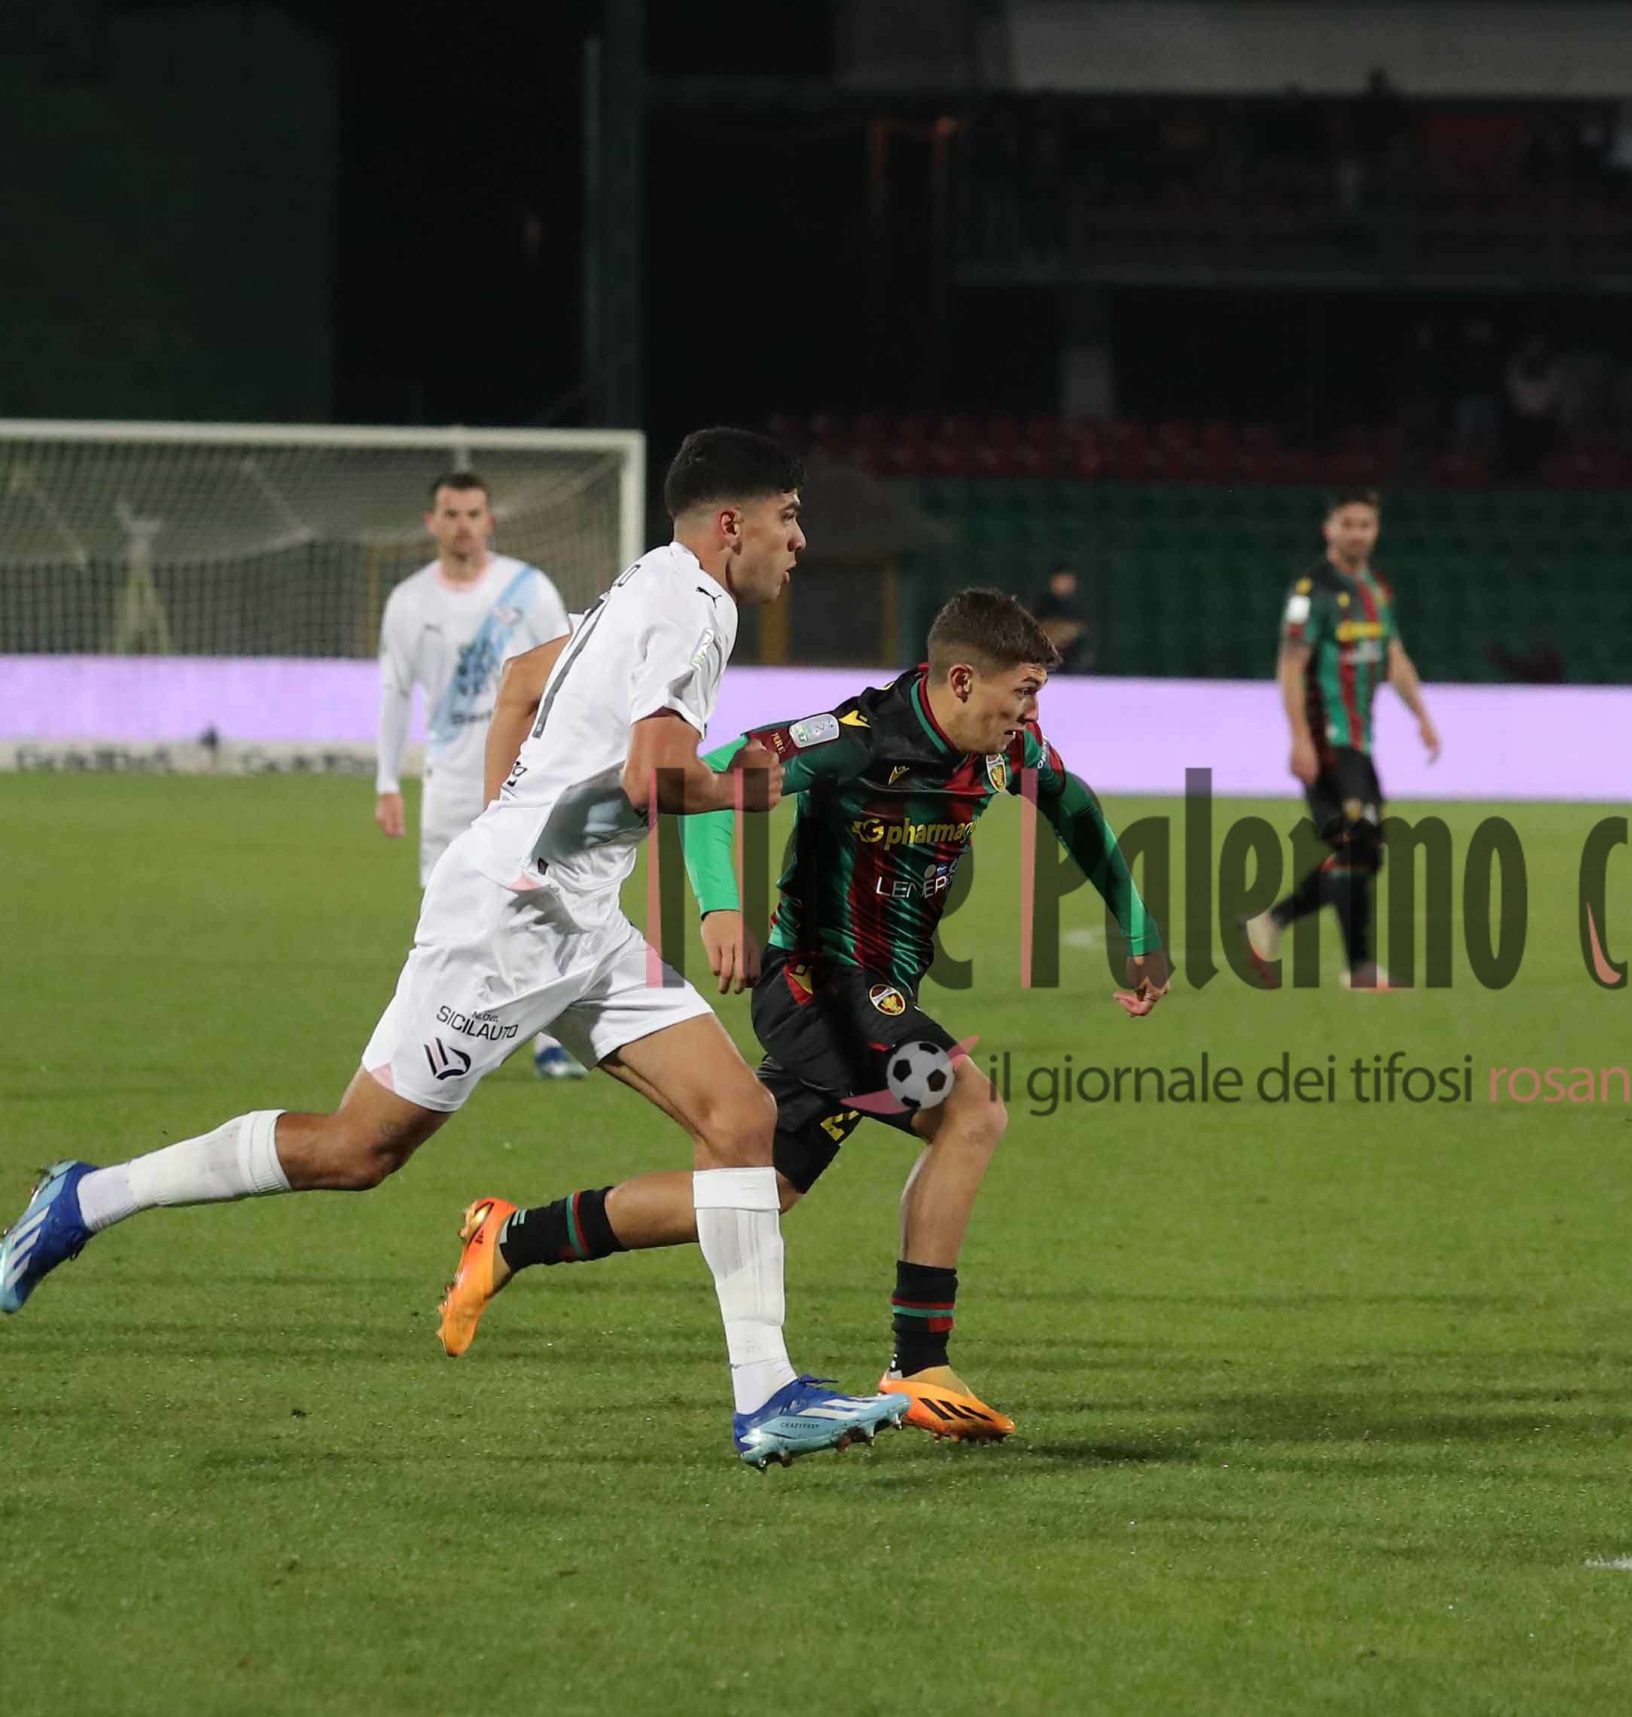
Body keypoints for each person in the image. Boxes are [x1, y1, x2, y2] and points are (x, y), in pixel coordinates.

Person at [1, 428, 906, 1467]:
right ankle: (88, 1196)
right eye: (790, 516)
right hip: (509, 928)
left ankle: (767, 1397)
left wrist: (507, 827)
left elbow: (520, 681)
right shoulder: (697, 606)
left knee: (740, 1116)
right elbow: (657, 777)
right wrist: (764, 779)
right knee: (357, 1150)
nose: (801, 539)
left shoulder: (649, 581)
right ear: (732, 524)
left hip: (571, 914)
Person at [436, 589, 1169, 1441]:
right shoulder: (858, 738)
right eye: (1025, 691)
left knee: (756, 1191)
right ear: (965, 680)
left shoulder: (1009, 749)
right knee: (970, 1109)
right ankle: (918, 1361)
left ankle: (512, 1236)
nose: (1033, 713)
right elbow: (714, 770)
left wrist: (1137, 927)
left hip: (878, 992)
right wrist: (720, 905)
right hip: (818, 986)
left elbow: (1074, 806)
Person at [374, 471, 581, 1079]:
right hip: (447, 781)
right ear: (431, 523)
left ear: (488, 521)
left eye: (472, 514)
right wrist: (387, 781)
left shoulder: (529, 589)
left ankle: (548, 1043)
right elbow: (394, 692)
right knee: (447, 917)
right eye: (451, 513)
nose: (462, 525)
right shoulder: (409, 601)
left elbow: (568, 677)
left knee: (534, 903)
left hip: (523, 780)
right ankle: (433, 1040)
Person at [1244, 489, 1440, 989]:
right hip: (1327, 742)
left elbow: (1393, 656)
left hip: (1358, 744)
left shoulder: (1377, 588)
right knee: (1360, 845)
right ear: (1328, 528)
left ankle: (1284, 924)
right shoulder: (1312, 592)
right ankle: (1353, 964)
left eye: (1365, 524)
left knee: (1363, 852)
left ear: (1376, 530)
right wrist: (1299, 739)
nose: (1357, 533)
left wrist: (1421, 715)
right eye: (1347, 524)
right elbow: (1290, 666)